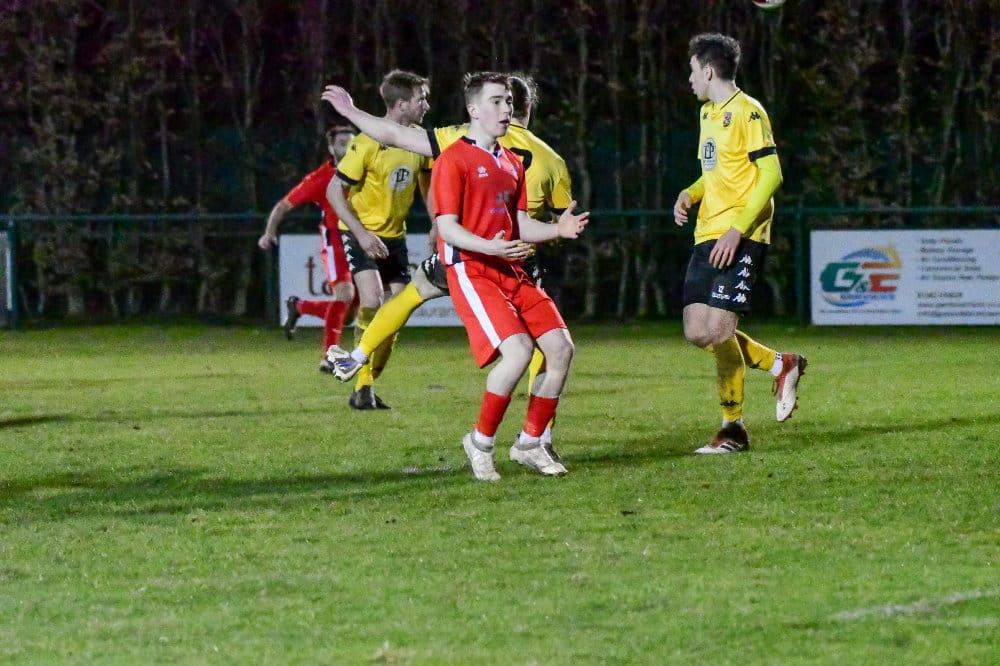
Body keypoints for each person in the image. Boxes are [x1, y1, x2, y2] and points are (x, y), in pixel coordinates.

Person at [352, 71, 586, 481]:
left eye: (509, 101)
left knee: (561, 349)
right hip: (471, 269)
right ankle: (480, 442)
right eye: (496, 101)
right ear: (473, 110)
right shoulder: (453, 158)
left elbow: (518, 223)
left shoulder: (512, 162)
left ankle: (531, 443)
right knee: (519, 352)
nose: (506, 108)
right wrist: (493, 248)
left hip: (509, 266)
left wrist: (557, 230)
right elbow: (447, 227)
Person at [672, 33, 807, 454]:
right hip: (706, 232)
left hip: (742, 236)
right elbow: (716, 174)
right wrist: (690, 193)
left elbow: (772, 174)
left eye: (693, 71)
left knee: (719, 331)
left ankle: (732, 428)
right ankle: (781, 363)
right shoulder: (708, 114)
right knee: (697, 331)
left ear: (709, 71)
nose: (690, 79)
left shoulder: (749, 112)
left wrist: (738, 229)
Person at [326, 69, 433, 410]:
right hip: (361, 232)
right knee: (372, 300)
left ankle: (364, 384)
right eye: (421, 99)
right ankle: (362, 384)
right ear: (401, 104)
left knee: (398, 311)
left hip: (395, 238)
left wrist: (436, 223)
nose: (426, 105)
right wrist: (361, 233)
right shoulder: (367, 142)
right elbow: (333, 191)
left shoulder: (419, 140)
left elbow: (427, 183)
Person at [258, 126, 357, 373]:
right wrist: (269, 232)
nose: (349, 148)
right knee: (344, 296)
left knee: (349, 314)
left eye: (352, 143)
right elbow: (283, 205)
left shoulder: (366, 170)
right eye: (342, 143)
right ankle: (329, 357)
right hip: (335, 240)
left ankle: (299, 306)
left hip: (362, 239)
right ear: (331, 149)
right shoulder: (320, 179)